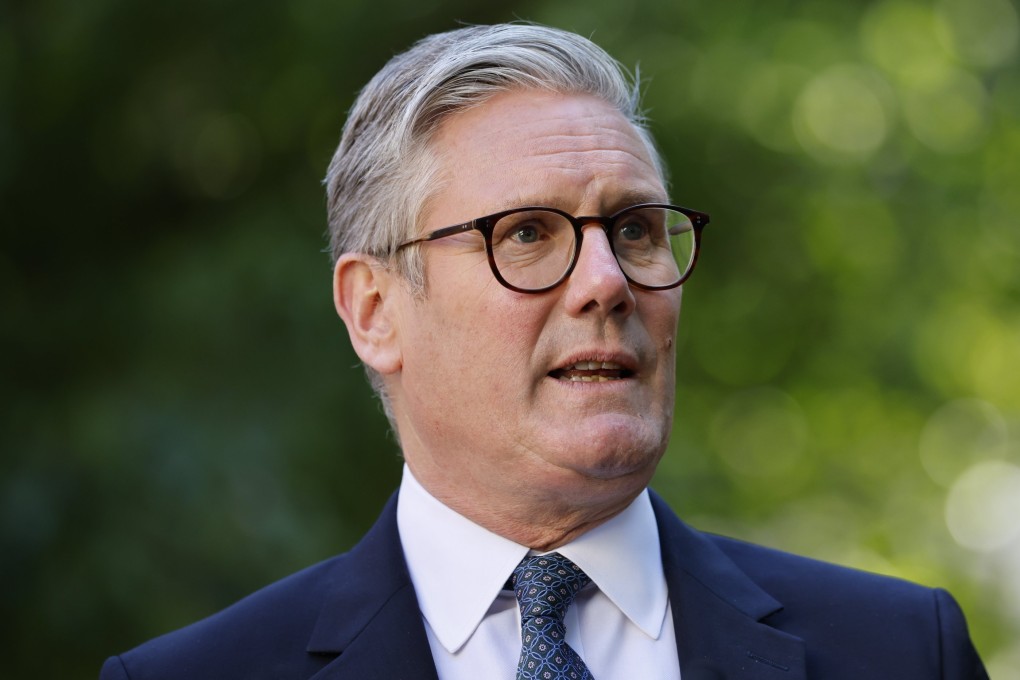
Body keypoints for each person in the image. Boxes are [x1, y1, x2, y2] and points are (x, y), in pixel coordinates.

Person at [100, 23, 988, 680]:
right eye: (526, 233)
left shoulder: (903, 653)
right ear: (374, 310)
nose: (607, 281)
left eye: (635, 229)